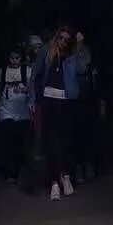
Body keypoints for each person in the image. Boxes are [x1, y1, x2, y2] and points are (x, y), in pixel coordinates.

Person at [29, 24, 84, 200]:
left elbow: (82, 69)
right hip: (48, 100)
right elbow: (36, 75)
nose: (63, 42)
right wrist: (33, 99)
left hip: (66, 101)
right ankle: (54, 182)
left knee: (66, 140)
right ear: (56, 36)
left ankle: (64, 175)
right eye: (61, 38)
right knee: (50, 141)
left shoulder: (72, 55)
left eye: (67, 40)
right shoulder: (46, 52)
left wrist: (79, 47)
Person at [0, 43, 32, 185]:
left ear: (21, 58)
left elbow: (34, 90)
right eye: (12, 58)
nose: (14, 61)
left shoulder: (27, 71)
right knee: (8, 141)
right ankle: (10, 172)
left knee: (18, 141)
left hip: (23, 112)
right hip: (6, 110)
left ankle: (17, 168)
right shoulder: (3, 71)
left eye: (17, 58)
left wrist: (27, 91)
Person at [71, 30, 99, 182]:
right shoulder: (70, 59)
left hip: (89, 102)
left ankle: (88, 165)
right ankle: (79, 169)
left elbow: (98, 82)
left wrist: (101, 101)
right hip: (75, 103)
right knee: (76, 136)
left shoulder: (91, 61)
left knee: (90, 134)